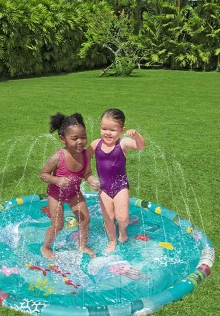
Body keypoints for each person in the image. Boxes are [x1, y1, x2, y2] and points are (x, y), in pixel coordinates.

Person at [39, 113, 100, 260]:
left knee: (85, 220)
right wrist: (56, 180)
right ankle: (45, 247)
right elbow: (43, 174)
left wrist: (92, 180)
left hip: (74, 193)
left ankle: (82, 245)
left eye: (83, 137)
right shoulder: (58, 157)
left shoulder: (86, 155)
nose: (80, 141)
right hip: (56, 194)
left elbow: (87, 173)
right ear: (63, 139)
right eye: (74, 138)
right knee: (58, 225)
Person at [88, 108, 146, 253]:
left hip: (121, 186)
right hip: (104, 188)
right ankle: (112, 240)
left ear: (121, 130)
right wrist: (89, 178)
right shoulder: (96, 144)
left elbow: (140, 146)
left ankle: (122, 230)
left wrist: (137, 136)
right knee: (108, 218)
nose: (107, 133)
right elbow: (84, 159)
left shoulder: (122, 143)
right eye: (104, 128)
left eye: (112, 130)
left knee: (122, 218)